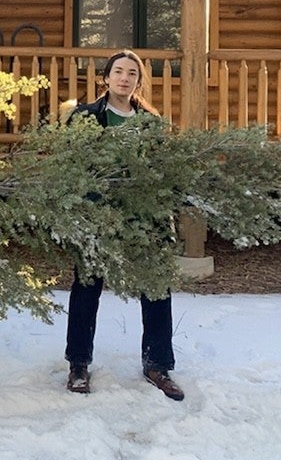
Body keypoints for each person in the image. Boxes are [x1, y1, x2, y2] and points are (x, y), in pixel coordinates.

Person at [63, 50, 185, 401]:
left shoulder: (151, 121)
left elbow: (163, 172)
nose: (125, 78)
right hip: (99, 216)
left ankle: (158, 365)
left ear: (139, 81)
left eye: (133, 73)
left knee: (156, 288)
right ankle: (78, 364)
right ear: (106, 77)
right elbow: (72, 169)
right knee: (87, 288)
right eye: (119, 71)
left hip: (143, 218)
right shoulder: (85, 117)